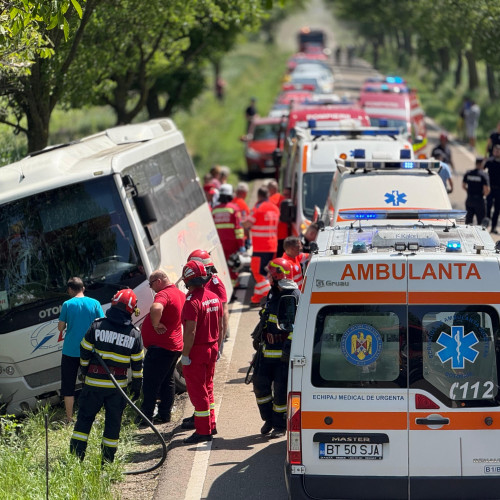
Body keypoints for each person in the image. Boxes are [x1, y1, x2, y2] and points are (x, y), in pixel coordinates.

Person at [69, 289, 144, 463]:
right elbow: (137, 364)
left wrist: (85, 370)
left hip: (93, 384)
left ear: (113, 303)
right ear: (131, 310)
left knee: (84, 421)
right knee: (113, 424)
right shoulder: (134, 334)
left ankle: (76, 459)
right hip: (117, 389)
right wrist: (137, 386)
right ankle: (107, 462)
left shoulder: (97, 325)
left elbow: (84, 350)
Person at [182, 248, 229, 431]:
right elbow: (221, 325)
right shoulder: (214, 297)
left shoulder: (192, 301)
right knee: (208, 387)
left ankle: (203, 431)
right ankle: (211, 423)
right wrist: (219, 345)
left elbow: (190, 332)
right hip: (212, 347)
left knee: (198, 391)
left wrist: (185, 355)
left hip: (197, 350)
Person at [252, 258, 300, 438]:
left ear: (277, 276)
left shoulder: (293, 295)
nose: (268, 277)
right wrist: (259, 334)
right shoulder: (273, 293)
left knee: (280, 390)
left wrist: (289, 347)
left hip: (283, 354)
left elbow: (298, 325)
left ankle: (280, 425)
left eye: (270, 275)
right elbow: (267, 317)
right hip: (266, 351)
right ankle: (269, 419)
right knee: (259, 384)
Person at [138, 270, 186, 427]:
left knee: (150, 383)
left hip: (161, 347)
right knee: (167, 381)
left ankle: (146, 416)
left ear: (158, 281)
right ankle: (164, 414)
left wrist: (155, 324)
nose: (151, 288)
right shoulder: (180, 294)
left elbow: (156, 308)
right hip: (173, 346)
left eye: (151, 284)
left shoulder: (164, 294)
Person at [58, 277, 104, 423]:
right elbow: (102, 324)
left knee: (68, 385)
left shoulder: (67, 304)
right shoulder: (95, 303)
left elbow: (60, 327)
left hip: (70, 351)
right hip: (90, 350)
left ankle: (69, 418)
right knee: (91, 383)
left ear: (70, 290)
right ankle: (92, 417)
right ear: (83, 288)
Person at [242, 186, 280, 306]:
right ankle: (256, 298)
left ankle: (271, 296)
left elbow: (247, 223)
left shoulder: (258, 208)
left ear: (258, 196)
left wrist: (242, 222)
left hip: (260, 246)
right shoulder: (275, 208)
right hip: (272, 245)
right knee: (264, 273)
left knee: (257, 272)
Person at [212, 184, 245, 286]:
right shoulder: (234, 208)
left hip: (218, 243)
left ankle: (223, 284)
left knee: (221, 264)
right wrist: (241, 244)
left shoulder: (214, 209)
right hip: (232, 243)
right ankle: (233, 284)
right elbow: (238, 228)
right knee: (232, 264)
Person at [463, 157, 490, 225]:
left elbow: (463, 185)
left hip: (469, 199)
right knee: (481, 223)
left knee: (468, 222)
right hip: (479, 200)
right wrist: (484, 195)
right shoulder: (483, 175)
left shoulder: (468, 173)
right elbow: (487, 189)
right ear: (482, 164)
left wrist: (468, 191)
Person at [268, 180, 291, 257]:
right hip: (283, 232)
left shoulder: (268, 201)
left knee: (274, 256)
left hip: (272, 233)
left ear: (269, 190)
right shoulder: (283, 199)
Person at [484, 144, 500, 233]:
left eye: (498, 151)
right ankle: (486, 225)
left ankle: (493, 227)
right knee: (488, 207)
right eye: (495, 150)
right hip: (490, 188)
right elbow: (482, 171)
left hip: (499, 190)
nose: (497, 152)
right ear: (493, 151)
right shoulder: (489, 161)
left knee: (497, 209)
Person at [233, 182, 251, 250]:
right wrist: (248, 239)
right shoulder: (243, 205)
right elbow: (245, 224)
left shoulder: (231, 202)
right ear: (244, 193)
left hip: (231, 237)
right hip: (241, 239)